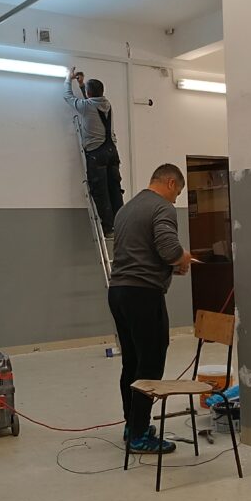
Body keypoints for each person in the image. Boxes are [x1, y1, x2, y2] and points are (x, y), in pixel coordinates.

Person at [108, 163, 195, 454]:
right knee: (150, 364)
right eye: (177, 193)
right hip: (144, 295)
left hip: (119, 292)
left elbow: (139, 252)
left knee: (132, 362)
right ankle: (140, 435)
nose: (175, 200)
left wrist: (170, 267)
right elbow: (169, 249)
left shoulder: (126, 209)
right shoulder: (162, 207)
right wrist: (183, 257)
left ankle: (131, 424)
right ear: (170, 183)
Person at [64, 67, 124, 235]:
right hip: (112, 151)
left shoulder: (86, 106)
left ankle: (108, 228)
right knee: (115, 190)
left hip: (97, 154)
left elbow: (68, 97)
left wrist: (68, 79)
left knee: (101, 191)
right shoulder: (107, 105)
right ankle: (121, 225)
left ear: (89, 94)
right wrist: (82, 85)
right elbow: (91, 101)